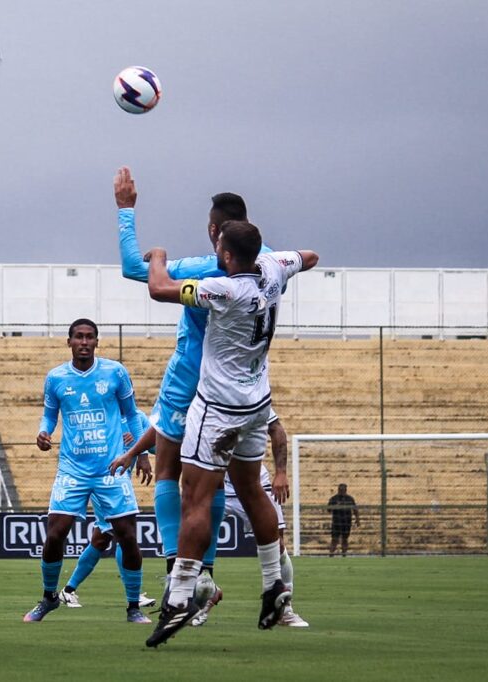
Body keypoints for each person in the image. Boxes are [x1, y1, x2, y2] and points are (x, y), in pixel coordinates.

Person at [142, 221, 318, 647]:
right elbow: (309, 257)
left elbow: (159, 288)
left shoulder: (221, 289)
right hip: (258, 405)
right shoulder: (275, 269)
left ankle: (180, 595)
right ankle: (275, 584)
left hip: (219, 409)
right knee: (251, 490)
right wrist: (281, 261)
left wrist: (159, 255)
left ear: (224, 255)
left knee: (196, 496)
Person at [114, 167, 274, 597]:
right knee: (214, 478)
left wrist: (126, 210)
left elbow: (138, 270)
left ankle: (177, 573)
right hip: (244, 386)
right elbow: (308, 259)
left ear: (214, 231)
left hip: (189, 381)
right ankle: (207, 571)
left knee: (169, 470)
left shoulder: (205, 269)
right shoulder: (273, 263)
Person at [23, 318, 150, 624]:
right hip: (72, 470)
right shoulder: (56, 378)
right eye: (78, 337)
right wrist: (44, 433)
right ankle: (49, 597)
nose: (84, 341)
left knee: (128, 537)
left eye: (89, 337)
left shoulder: (115, 372)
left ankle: (133, 606)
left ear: (96, 342)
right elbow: (49, 415)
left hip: (111, 469)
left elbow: (131, 415)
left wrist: (141, 453)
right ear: (69, 342)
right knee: (54, 534)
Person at [218, 410, 308, 627]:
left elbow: (276, 429)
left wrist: (281, 472)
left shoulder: (253, 394)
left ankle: (285, 609)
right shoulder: (204, 394)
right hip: (216, 483)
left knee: (277, 545)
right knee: (195, 539)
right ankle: (194, 603)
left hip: (255, 484)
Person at [60, 411, 155, 609]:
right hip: (101, 482)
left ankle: (68, 590)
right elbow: (86, 445)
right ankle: (134, 594)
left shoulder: (138, 418)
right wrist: (117, 442)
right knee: (122, 535)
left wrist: (144, 449)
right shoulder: (101, 414)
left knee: (101, 539)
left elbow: (152, 444)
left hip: (121, 485)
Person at [327, 483, 360, 557]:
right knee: (334, 539)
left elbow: (355, 510)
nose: (341, 491)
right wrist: (335, 506)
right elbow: (328, 510)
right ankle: (331, 554)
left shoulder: (350, 499)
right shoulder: (334, 499)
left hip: (346, 522)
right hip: (336, 523)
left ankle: (344, 554)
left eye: (343, 490)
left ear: (346, 490)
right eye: (340, 490)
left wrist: (357, 520)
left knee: (345, 539)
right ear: (338, 490)